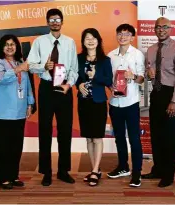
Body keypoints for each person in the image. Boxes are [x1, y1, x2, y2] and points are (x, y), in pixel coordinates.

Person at [27, 8, 78, 186]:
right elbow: (30, 65)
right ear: (47, 22)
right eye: (51, 19)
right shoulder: (39, 42)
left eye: (57, 19)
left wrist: (68, 85)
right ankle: (46, 172)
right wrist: (44, 66)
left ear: (62, 22)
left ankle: (63, 171)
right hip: (47, 88)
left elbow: (74, 68)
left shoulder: (70, 42)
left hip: (64, 88)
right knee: (45, 130)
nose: (55, 22)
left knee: (65, 130)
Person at [142, 17, 175, 188]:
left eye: (164, 27)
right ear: (154, 29)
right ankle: (158, 169)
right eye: (158, 27)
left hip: (171, 95)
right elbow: (148, 74)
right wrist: (148, 74)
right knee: (156, 134)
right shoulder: (151, 49)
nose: (161, 30)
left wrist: (174, 101)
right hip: (157, 93)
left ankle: (168, 175)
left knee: (170, 137)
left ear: (170, 28)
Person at [0, 34, 35, 189]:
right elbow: (0, 79)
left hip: (19, 112)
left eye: (12, 44)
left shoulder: (20, 62)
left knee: (16, 146)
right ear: (1, 47)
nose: (9, 47)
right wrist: (18, 69)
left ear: (17, 47)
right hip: (0, 113)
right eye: (6, 44)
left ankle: (13, 176)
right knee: (2, 147)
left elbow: (27, 84)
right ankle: (3, 178)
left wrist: (30, 103)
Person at [106, 23, 145, 187]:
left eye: (127, 34)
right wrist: (111, 87)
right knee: (119, 138)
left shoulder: (137, 54)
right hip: (115, 103)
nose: (123, 37)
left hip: (131, 103)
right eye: (120, 33)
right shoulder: (110, 56)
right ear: (116, 35)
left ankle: (137, 173)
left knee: (135, 139)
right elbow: (108, 80)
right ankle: (123, 167)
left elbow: (142, 79)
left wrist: (133, 76)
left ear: (132, 37)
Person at [76, 28, 113, 186]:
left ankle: (96, 170)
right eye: (87, 38)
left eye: (93, 38)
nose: (90, 41)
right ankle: (94, 170)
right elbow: (74, 75)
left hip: (98, 102)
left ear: (98, 40)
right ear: (83, 42)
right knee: (89, 138)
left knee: (97, 137)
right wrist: (79, 84)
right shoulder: (78, 58)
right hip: (83, 101)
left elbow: (108, 79)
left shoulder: (105, 60)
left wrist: (95, 76)